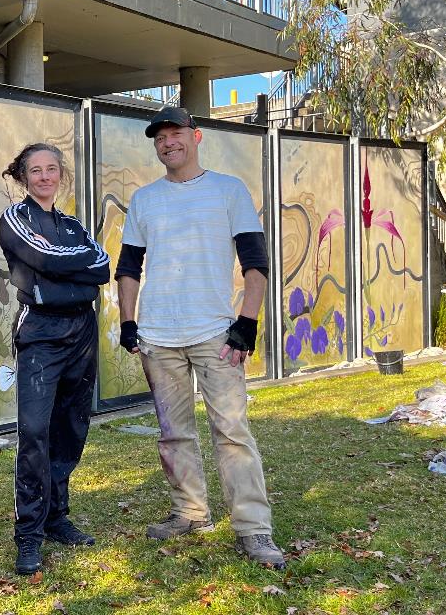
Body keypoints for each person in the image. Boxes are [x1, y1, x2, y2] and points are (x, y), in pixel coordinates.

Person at [114, 106, 285, 569]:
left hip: (216, 335)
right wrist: (128, 322)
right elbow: (128, 267)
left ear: (196, 137)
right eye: (160, 138)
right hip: (158, 337)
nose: (168, 142)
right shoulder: (145, 199)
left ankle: (253, 528)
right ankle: (190, 513)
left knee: (231, 432)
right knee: (173, 434)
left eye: (176, 134)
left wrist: (246, 324)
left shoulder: (229, 190)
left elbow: (256, 262)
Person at [0, 143, 111, 575]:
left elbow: (102, 267)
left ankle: (56, 518)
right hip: (41, 335)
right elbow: (42, 257)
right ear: (23, 176)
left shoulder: (73, 225)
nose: (45, 177)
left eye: (51, 169)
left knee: (71, 428)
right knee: (34, 432)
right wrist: (70, 266)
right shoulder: (15, 219)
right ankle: (28, 534)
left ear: (60, 174)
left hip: (82, 330)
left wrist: (62, 267)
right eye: (36, 170)